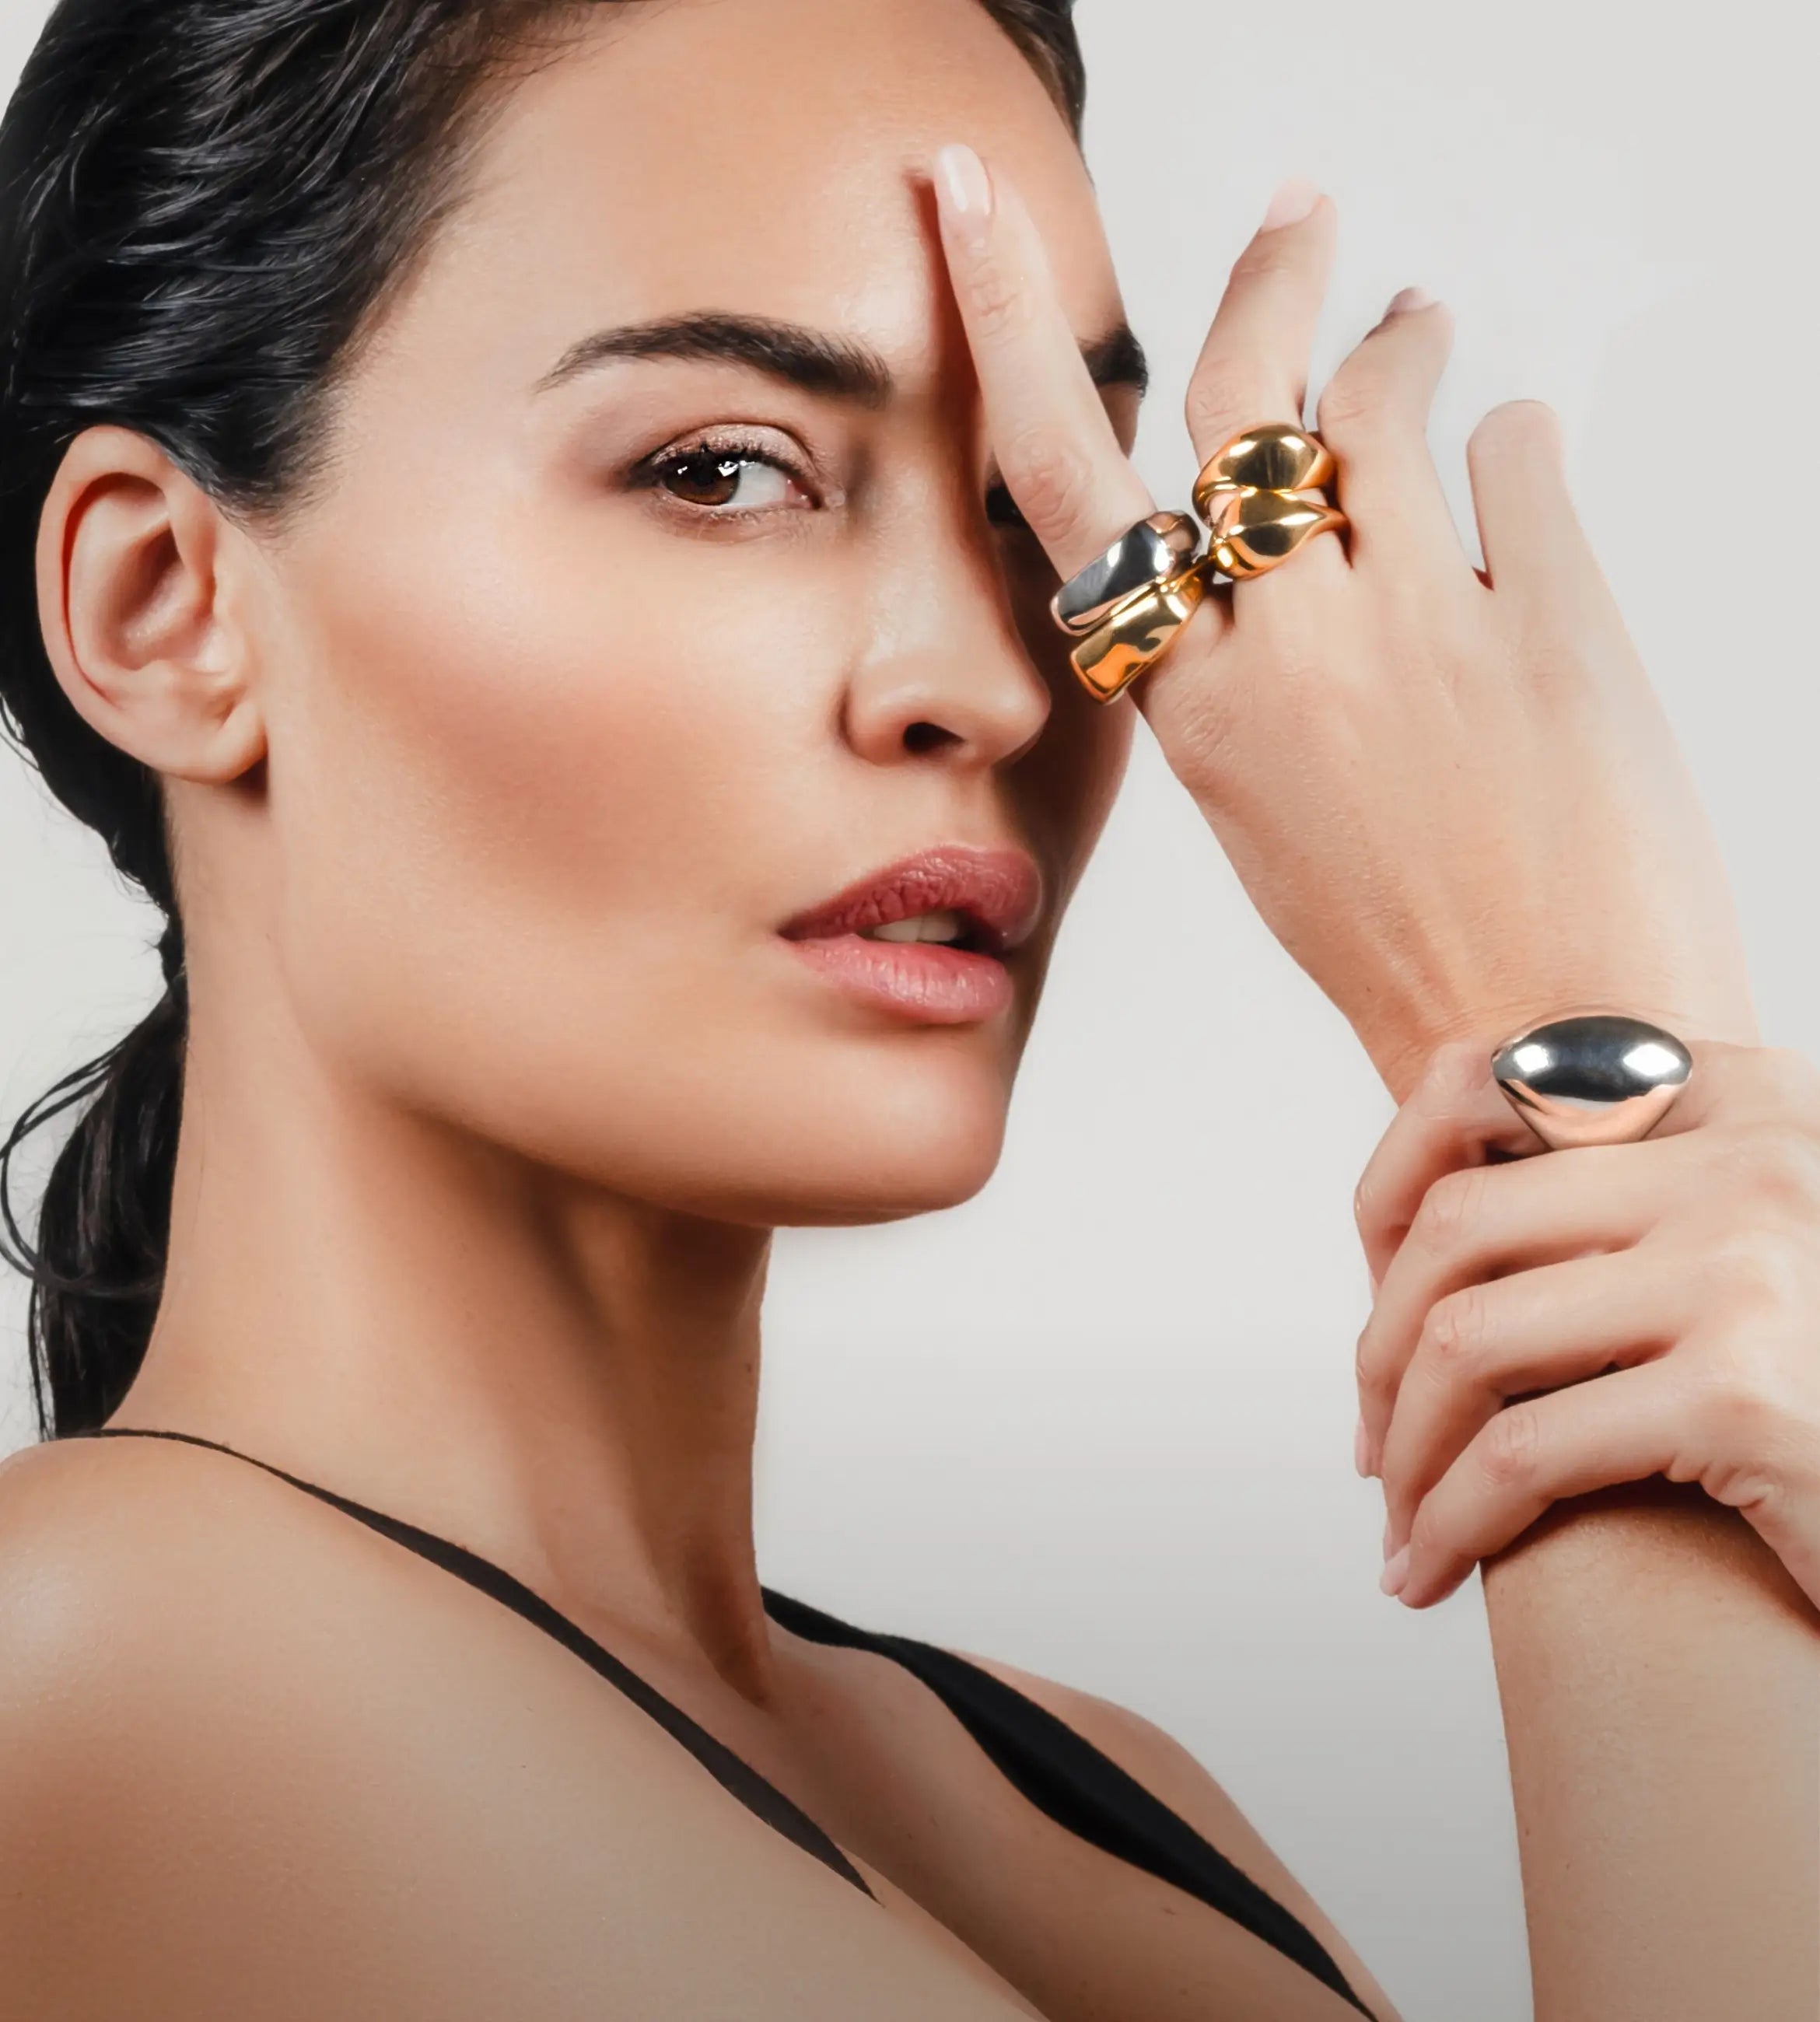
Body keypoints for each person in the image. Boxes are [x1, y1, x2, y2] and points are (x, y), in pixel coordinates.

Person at [0, 1, 1814, 2017]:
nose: (998, 679)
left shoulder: (1119, 1798)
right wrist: (1582, 1100)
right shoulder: (106, 1673)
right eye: (721, 468)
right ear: (163, 605)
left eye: (1034, 504)